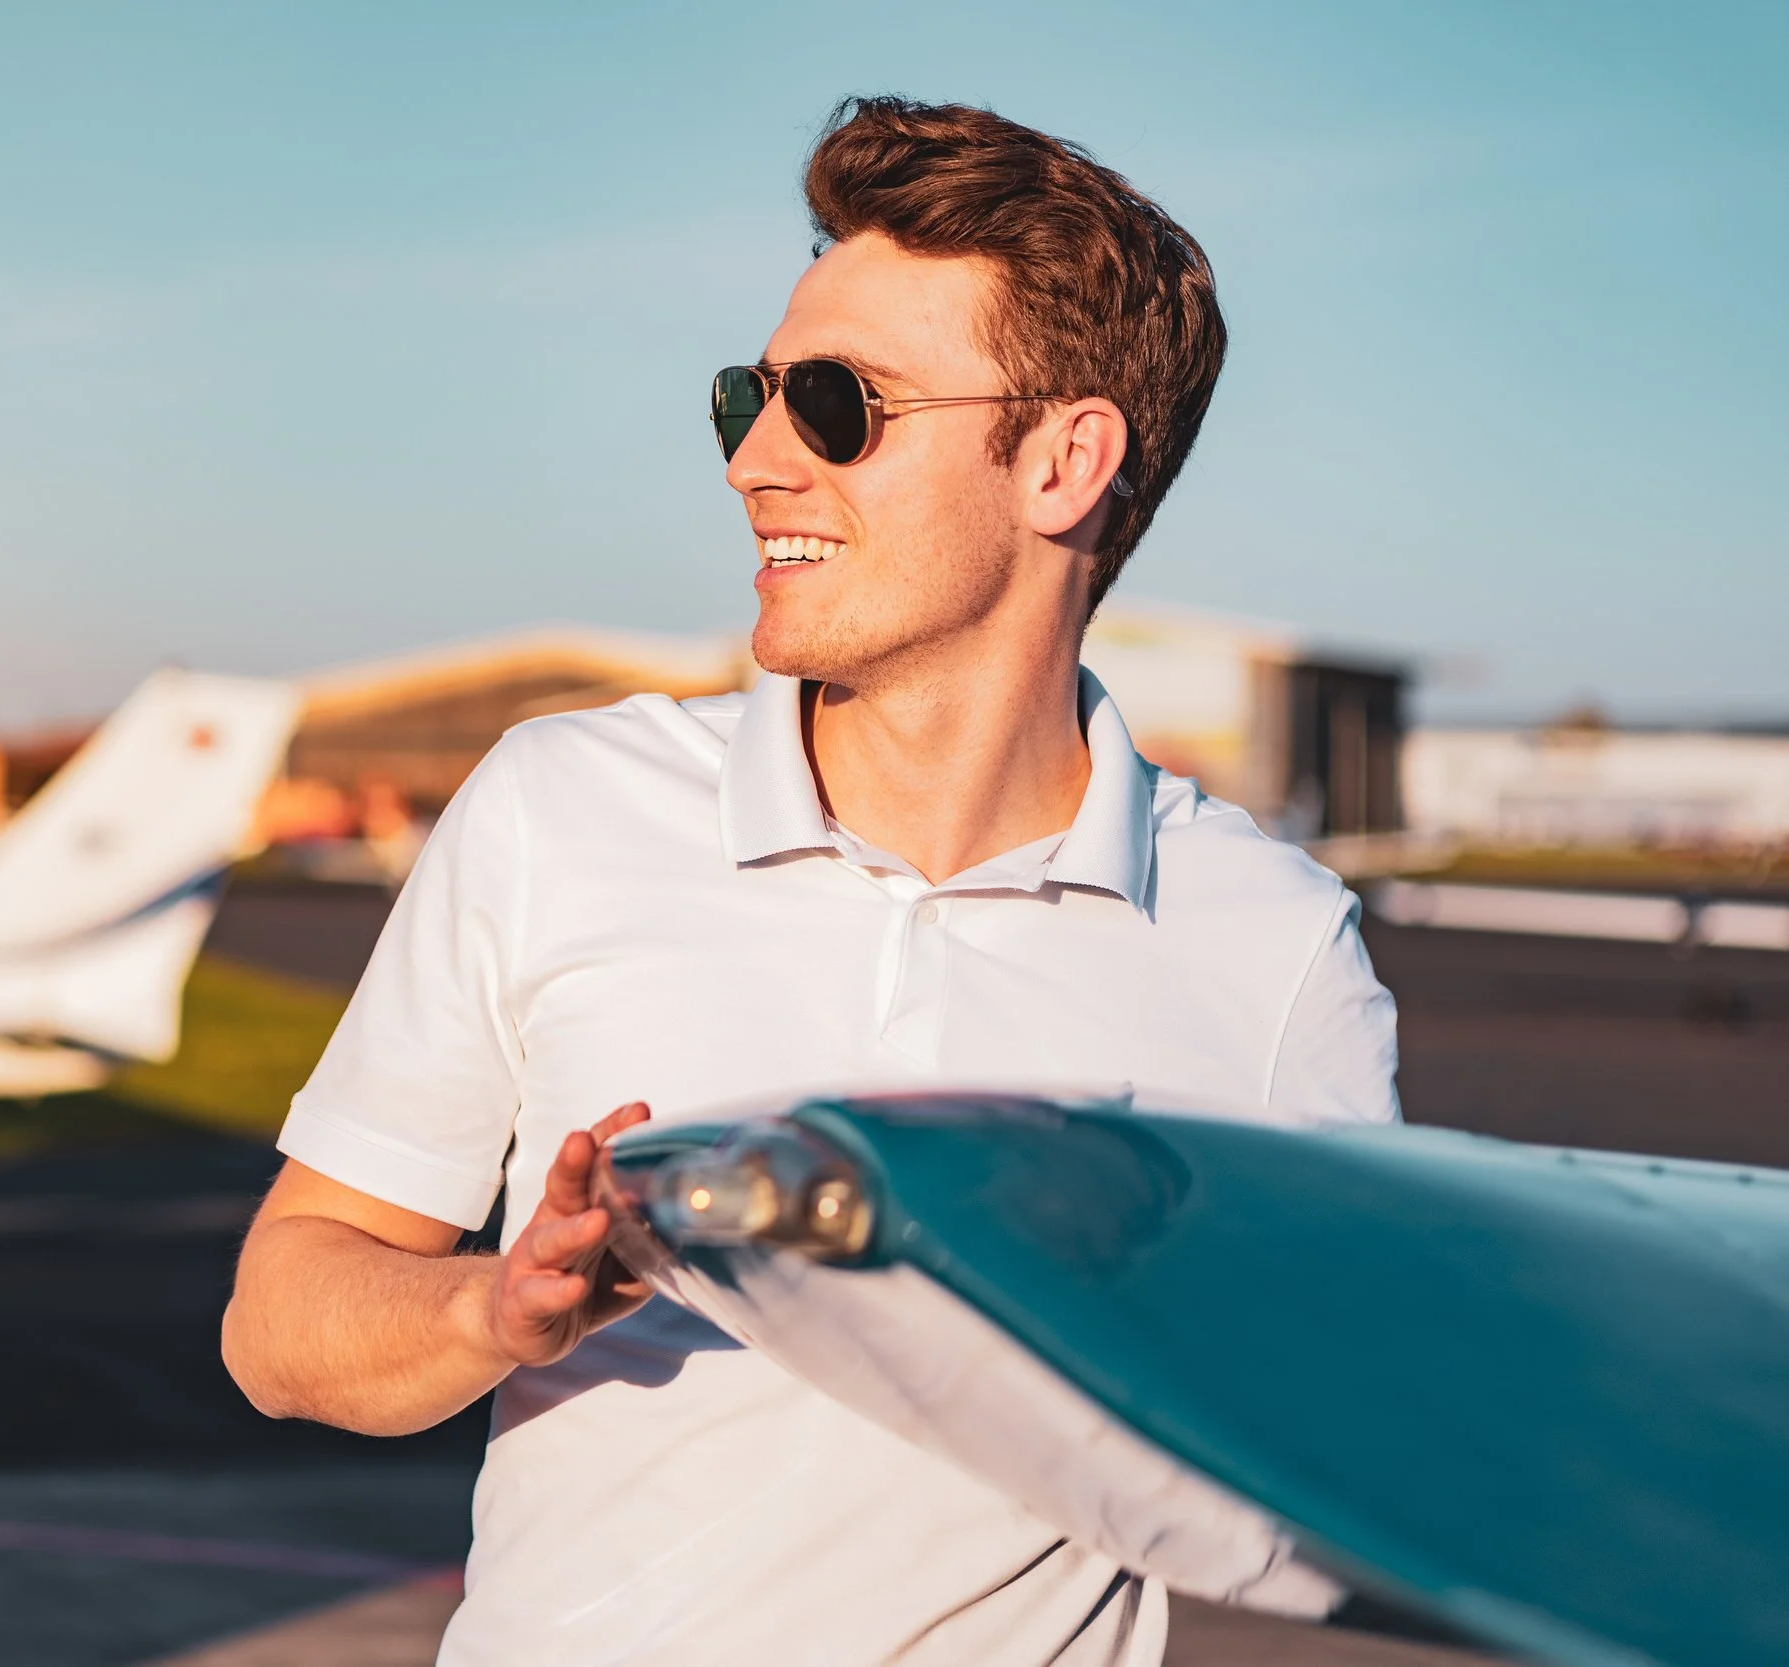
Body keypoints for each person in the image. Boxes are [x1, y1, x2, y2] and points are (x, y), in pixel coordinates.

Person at [223, 96, 1398, 1667]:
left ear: (1065, 460)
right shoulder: (560, 804)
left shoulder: (1277, 950)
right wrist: (490, 1310)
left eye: (840, 405)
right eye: (750, 396)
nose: (755, 461)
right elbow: (279, 1323)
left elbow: (1338, 1491)